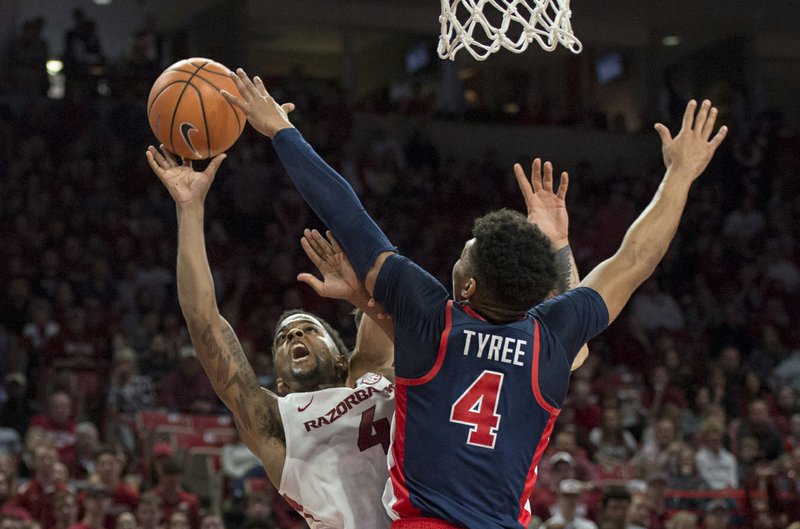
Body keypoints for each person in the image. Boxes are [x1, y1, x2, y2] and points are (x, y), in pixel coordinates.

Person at [222, 70, 727, 529]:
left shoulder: (431, 319)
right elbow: (634, 258)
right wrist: (678, 175)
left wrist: (280, 133)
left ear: (467, 287)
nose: (458, 255)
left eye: (465, 253)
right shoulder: (551, 337)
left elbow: (346, 213)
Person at [144, 144, 393, 529]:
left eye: (311, 329)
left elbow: (388, 292)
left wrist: (359, 287)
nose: (295, 335)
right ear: (278, 381)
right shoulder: (275, 419)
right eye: (283, 338)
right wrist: (189, 209)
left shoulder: (371, 373)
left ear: (343, 357)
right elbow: (204, 322)